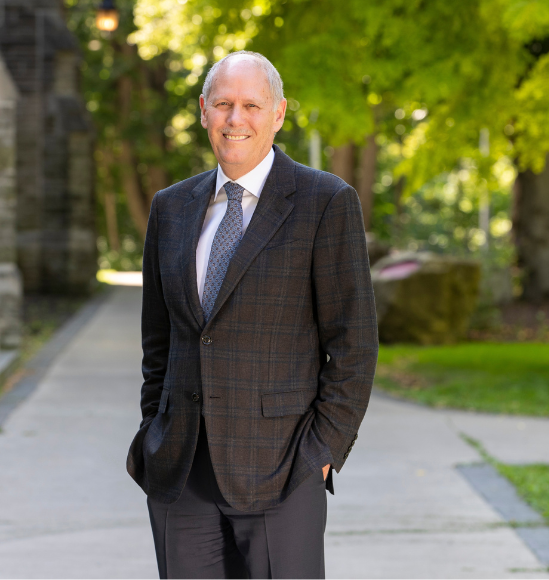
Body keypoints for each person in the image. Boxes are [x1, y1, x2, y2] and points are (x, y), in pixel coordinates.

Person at [126, 50, 378, 579]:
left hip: (283, 470)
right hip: (182, 473)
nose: (235, 119)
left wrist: (322, 452)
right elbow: (159, 340)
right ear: (202, 111)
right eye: (222, 104)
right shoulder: (170, 208)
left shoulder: (326, 202)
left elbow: (353, 344)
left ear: (279, 113)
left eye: (250, 105)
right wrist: (156, 426)